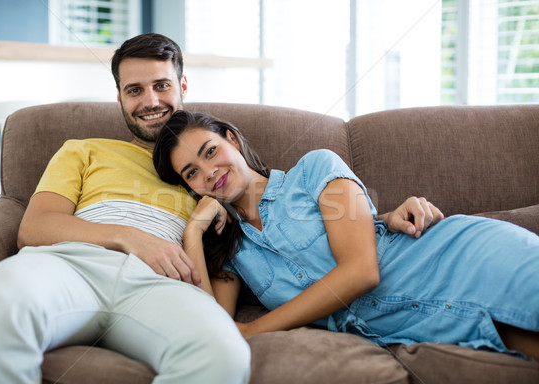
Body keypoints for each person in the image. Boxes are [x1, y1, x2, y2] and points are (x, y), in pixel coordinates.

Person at [0, 32, 446, 384]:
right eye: (134, 91)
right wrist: (129, 238)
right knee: (0, 300)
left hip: (164, 289)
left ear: (182, 84)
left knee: (223, 354)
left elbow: (296, 220)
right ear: (119, 98)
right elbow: (34, 228)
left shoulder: (214, 173)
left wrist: (380, 217)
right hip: (71, 265)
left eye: (161, 85)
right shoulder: (83, 149)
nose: (150, 102)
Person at [152, 110, 539, 361]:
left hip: (460, 258)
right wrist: (193, 232)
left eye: (210, 151)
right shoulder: (232, 250)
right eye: (191, 173)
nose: (208, 172)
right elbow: (215, 326)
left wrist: (252, 330)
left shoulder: (315, 167)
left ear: (232, 139)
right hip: (421, 323)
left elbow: (361, 271)